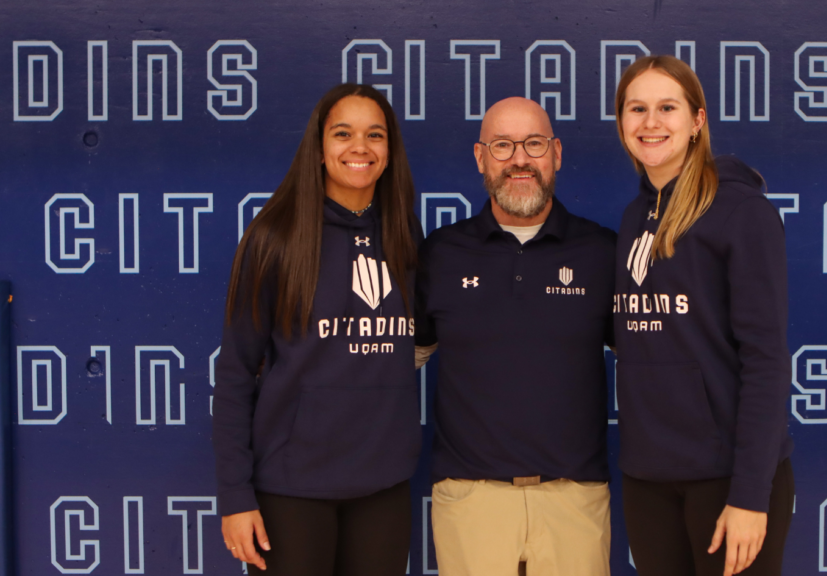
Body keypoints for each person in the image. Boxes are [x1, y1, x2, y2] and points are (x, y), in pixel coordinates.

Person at [213, 84, 421, 576]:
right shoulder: (275, 236)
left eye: (375, 135)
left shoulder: (404, 234)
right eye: (343, 133)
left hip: (382, 489)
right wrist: (234, 496)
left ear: (389, 152)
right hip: (291, 490)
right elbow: (236, 373)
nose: (360, 148)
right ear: (319, 147)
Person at [415, 97, 616, 576]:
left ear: (557, 154)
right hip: (470, 500)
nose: (520, 159)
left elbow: (653, 358)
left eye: (534, 144)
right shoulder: (441, 253)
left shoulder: (603, 252)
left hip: (575, 500)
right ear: (481, 157)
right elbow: (402, 358)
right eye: (503, 146)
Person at [611, 55, 794, 576]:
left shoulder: (743, 213)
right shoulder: (633, 218)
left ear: (697, 121)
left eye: (667, 108)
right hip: (648, 477)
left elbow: (766, 361)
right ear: (621, 122)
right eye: (636, 108)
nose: (650, 122)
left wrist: (751, 496)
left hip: (728, 480)